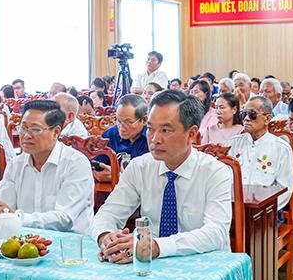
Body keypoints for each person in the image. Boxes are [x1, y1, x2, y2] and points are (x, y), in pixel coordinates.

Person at [91, 90, 232, 262]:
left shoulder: (215, 172)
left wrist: (157, 246)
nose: (155, 139)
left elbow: (216, 233)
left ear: (191, 134)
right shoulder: (139, 167)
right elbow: (108, 213)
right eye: (150, 129)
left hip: (203, 264)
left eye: (165, 130)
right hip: (152, 263)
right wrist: (106, 237)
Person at [0, 100, 93, 234]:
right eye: (23, 128)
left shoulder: (76, 163)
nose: (26, 135)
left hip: (70, 241)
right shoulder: (15, 165)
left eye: (35, 129)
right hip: (24, 240)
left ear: (56, 132)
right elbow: (5, 209)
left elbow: (64, 218)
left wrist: (15, 217)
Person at [227, 96, 293, 212]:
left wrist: (266, 210)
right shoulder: (233, 143)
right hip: (233, 207)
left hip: (267, 210)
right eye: (244, 114)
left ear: (267, 119)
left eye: (252, 114)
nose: (246, 119)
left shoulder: (281, 148)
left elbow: (285, 188)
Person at [95, 94, 149, 182]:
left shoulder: (152, 139)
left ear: (144, 120)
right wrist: (98, 173)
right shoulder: (109, 136)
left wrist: (118, 176)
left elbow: (153, 175)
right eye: (119, 121)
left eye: (128, 122)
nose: (122, 128)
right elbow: (97, 165)